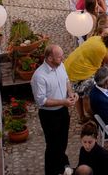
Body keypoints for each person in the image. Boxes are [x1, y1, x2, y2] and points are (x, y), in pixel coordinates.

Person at [30, 45, 78, 175]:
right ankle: (51, 171)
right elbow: (41, 100)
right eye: (59, 56)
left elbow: (66, 80)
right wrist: (64, 101)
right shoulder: (39, 76)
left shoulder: (60, 65)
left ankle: (62, 166)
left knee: (62, 141)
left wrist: (71, 94)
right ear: (50, 58)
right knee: (52, 145)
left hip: (63, 111)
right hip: (49, 115)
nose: (63, 58)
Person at [64, 29, 108, 123]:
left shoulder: (97, 38)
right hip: (79, 72)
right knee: (88, 96)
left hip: (70, 66)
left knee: (78, 92)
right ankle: (96, 119)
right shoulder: (102, 49)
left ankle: (82, 117)